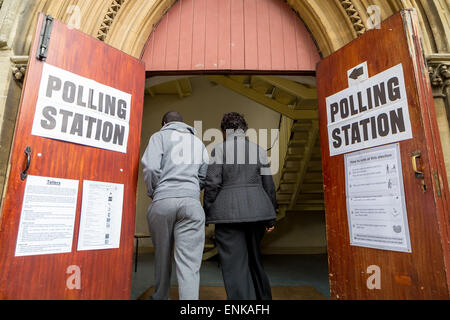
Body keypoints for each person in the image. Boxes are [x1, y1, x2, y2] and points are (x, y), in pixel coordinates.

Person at [204, 112, 277, 300]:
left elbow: (212, 184)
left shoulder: (219, 149)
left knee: (235, 266)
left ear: (224, 131)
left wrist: (208, 211)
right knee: (255, 260)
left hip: (228, 215)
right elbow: (268, 184)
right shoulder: (259, 150)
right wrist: (271, 216)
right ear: (244, 130)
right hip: (258, 212)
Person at [141, 111, 209, 300]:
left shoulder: (159, 136)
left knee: (161, 257)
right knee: (189, 264)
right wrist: (193, 191)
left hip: (163, 200)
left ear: (164, 123)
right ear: (184, 123)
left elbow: (151, 168)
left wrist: (154, 192)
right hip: (191, 203)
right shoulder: (198, 142)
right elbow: (205, 173)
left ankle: (160, 297)